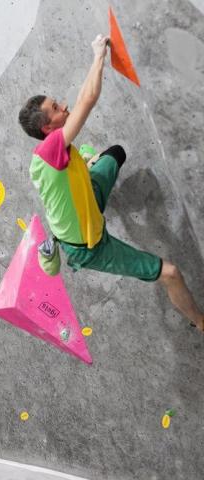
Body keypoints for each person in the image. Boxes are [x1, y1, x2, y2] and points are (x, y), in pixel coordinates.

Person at [18, 34, 204, 332]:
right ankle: (200, 321)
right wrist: (98, 56)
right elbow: (86, 101)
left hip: (88, 198)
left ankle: (92, 170)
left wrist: (84, 167)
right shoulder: (49, 150)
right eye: (56, 107)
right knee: (171, 272)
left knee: (115, 154)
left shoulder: (51, 152)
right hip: (88, 246)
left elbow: (77, 104)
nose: (63, 106)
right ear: (47, 127)